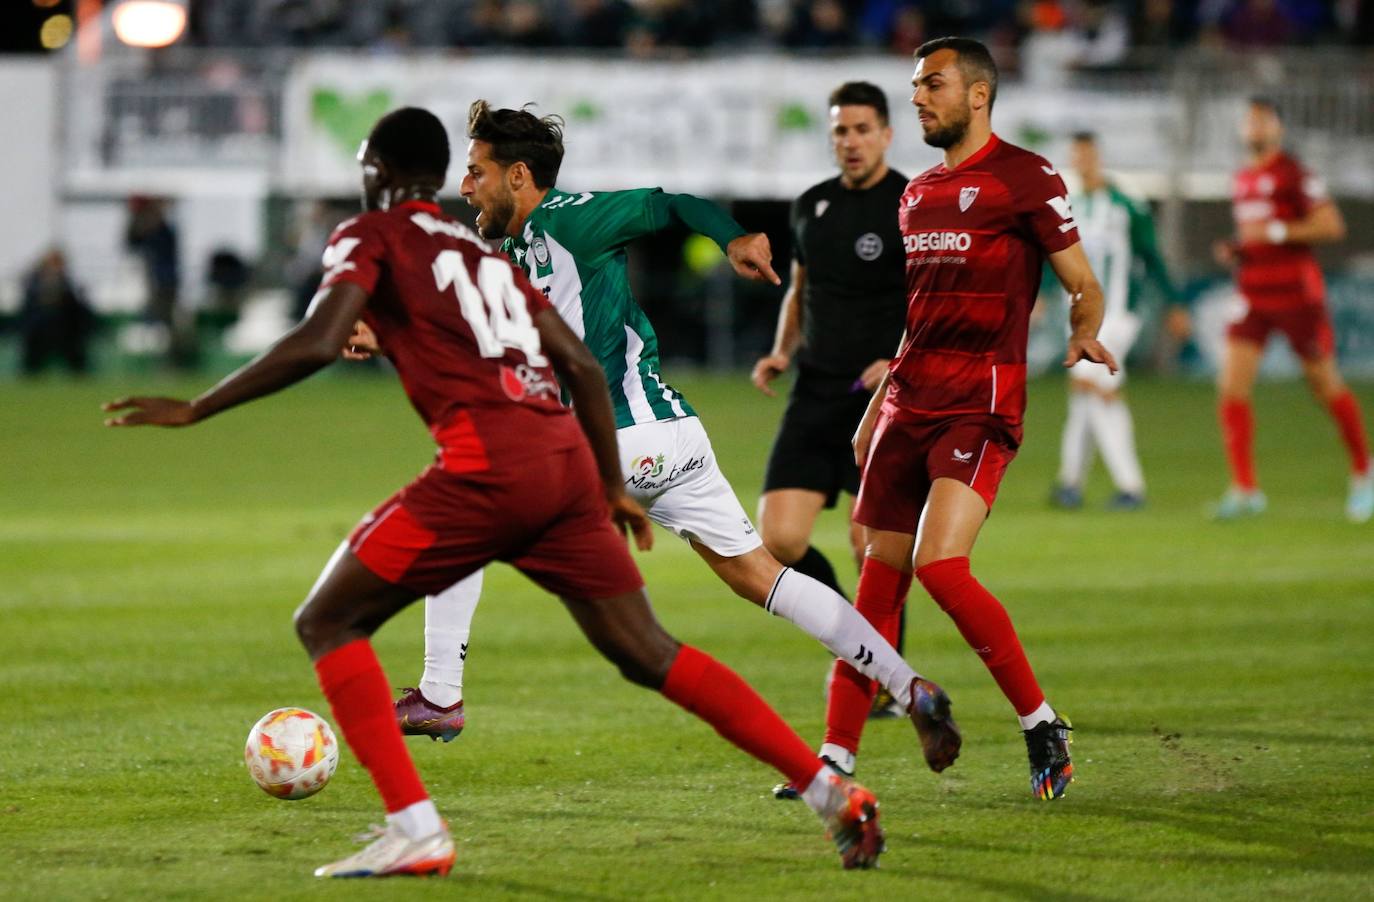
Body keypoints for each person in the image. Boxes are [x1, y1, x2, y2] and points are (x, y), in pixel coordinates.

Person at [103, 107, 889, 875]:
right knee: (650, 652)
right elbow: (577, 365)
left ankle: (417, 823)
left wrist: (200, 405)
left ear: (377, 174)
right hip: (563, 466)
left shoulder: (370, 235)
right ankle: (833, 794)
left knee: (328, 619)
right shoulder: (484, 253)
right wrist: (609, 489)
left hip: (487, 472)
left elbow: (315, 338)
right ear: (442, 176)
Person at [351, 101, 960, 787]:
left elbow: (672, 205)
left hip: (629, 436)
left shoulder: (573, 218)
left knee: (468, 500)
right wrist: (383, 332)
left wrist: (733, 238)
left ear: (519, 175)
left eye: (476, 172)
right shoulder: (506, 254)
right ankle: (911, 688)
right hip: (673, 441)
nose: (464, 187)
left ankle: (440, 695)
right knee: (760, 576)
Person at [818, 36, 1117, 801]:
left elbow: (1081, 282)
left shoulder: (1027, 177)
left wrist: (1085, 329)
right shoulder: (916, 193)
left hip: (978, 404)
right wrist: (879, 406)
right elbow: (919, 318)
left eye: (932, 85)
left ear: (977, 94)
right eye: (916, 85)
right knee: (876, 584)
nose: (918, 97)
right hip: (909, 400)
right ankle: (836, 759)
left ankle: (1041, 721)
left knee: (941, 566)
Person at [751, 81, 911, 720]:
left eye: (862, 129)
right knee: (778, 540)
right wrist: (781, 349)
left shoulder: (908, 203)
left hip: (881, 399)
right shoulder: (810, 205)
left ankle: (887, 681)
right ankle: (856, 639)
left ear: (887, 134)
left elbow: (930, 299)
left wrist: (899, 362)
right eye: (841, 130)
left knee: (868, 545)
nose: (850, 142)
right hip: (815, 387)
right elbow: (800, 289)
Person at [1212, 97, 1371, 522]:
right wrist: (1240, 248)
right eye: (1250, 120)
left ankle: (1363, 471)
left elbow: (1332, 225)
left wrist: (1279, 230)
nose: (1255, 127)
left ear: (1279, 128)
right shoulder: (1243, 178)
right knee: (1231, 387)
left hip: (1296, 294)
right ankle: (1245, 489)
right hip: (1252, 292)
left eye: (1263, 120)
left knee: (1323, 384)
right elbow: (1257, 234)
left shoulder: (1295, 174)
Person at [1048, 131, 1184, 511]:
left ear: (1098, 157)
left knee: (1094, 389)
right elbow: (1054, 257)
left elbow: (1152, 255)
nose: (1084, 161)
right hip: (1078, 318)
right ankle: (1070, 483)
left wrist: (1174, 303)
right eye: (1077, 155)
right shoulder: (1069, 207)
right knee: (1084, 397)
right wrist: (1042, 296)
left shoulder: (1127, 204)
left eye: (1089, 154)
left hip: (1117, 316)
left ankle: (1129, 486)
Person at [18, 249, 95, 376]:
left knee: (75, 354)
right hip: (39, 331)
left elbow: (78, 310)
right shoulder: (33, 282)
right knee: (32, 360)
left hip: (65, 332)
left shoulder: (68, 283)